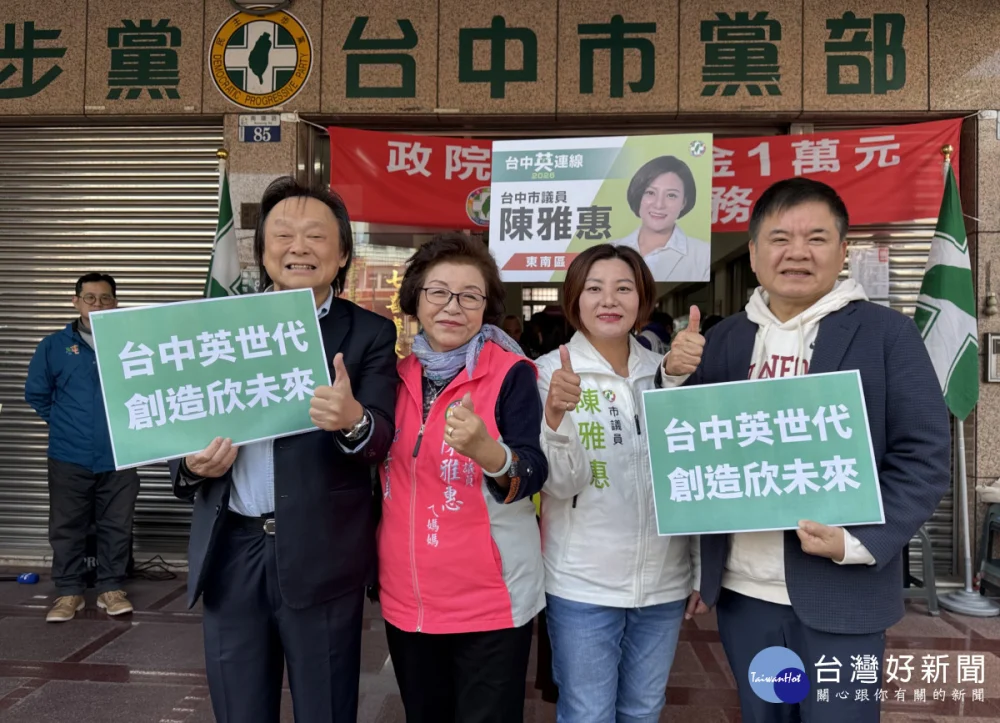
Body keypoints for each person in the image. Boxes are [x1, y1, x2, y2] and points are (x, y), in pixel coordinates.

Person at [661, 178, 951, 722]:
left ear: (843, 251)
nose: (797, 252)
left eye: (816, 238)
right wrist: (674, 377)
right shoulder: (723, 340)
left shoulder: (887, 334)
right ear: (753, 253)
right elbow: (689, 449)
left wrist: (855, 542)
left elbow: (924, 459)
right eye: (780, 238)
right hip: (746, 595)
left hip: (843, 591)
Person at [169, 177, 398, 723]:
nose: (299, 247)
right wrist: (192, 464)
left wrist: (353, 421)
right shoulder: (213, 328)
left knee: (326, 707)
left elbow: (380, 438)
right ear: (262, 250)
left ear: (342, 254)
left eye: (316, 236)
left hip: (323, 553)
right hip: (232, 551)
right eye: (283, 235)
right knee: (239, 707)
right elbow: (178, 427)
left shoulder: (368, 333)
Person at [377, 232, 548, 723]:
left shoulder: (512, 373)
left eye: (470, 296)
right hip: (408, 598)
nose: (453, 307)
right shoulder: (393, 376)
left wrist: (488, 453)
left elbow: (533, 471)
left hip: (490, 601)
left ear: (486, 307)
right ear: (415, 300)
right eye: (438, 292)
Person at [536, 244, 703, 723]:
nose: (609, 300)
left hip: (664, 584)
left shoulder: (666, 371)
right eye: (594, 288)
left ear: (642, 299)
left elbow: (690, 477)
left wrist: (696, 569)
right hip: (581, 585)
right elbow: (559, 486)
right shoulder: (549, 373)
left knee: (644, 710)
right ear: (574, 299)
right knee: (587, 713)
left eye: (623, 288)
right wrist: (555, 417)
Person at [25, 272, 140, 622]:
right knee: (66, 526)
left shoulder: (132, 343)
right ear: (76, 301)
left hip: (120, 453)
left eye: (105, 298)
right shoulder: (53, 346)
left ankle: (110, 588)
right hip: (69, 454)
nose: (97, 305)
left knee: (117, 524)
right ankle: (69, 592)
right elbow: (37, 394)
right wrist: (67, 424)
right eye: (89, 298)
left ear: (115, 303)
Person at [613, 155, 710, 282]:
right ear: (638, 196)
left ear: (684, 203)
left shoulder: (704, 255)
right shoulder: (610, 249)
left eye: (671, 195)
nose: (659, 205)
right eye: (650, 193)